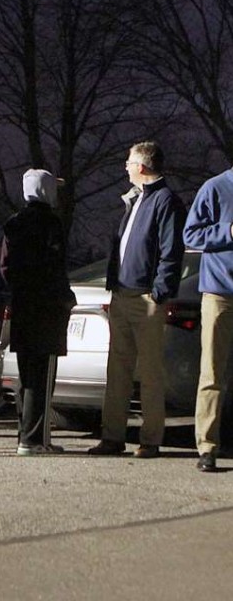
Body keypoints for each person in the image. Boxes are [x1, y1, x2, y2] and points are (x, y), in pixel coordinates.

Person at [89, 141, 186, 458]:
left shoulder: (165, 201)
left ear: (142, 167)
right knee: (117, 369)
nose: (126, 168)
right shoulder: (135, 201)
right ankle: (112, 436)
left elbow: (171, 252)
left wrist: (158, 293)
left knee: (149, 372)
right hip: (122, 294)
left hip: (145, 297)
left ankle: (150, 439)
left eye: (129, 162)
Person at [0, 170, 76, 455]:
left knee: (25, 375)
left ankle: (24, 434)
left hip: (22, 306)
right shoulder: (51, 224)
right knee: (42, 378)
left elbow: (5, 267)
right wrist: (64, 297)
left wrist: (20, 289)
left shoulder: (13, 224)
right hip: (47, 309)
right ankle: (36, 439)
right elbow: (55, 266)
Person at [183, 167, 233, 472]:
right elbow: (190, 233)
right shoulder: (215, 188)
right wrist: (227, 231)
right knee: (213, 372)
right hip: (220, 294)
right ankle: (207, 447)